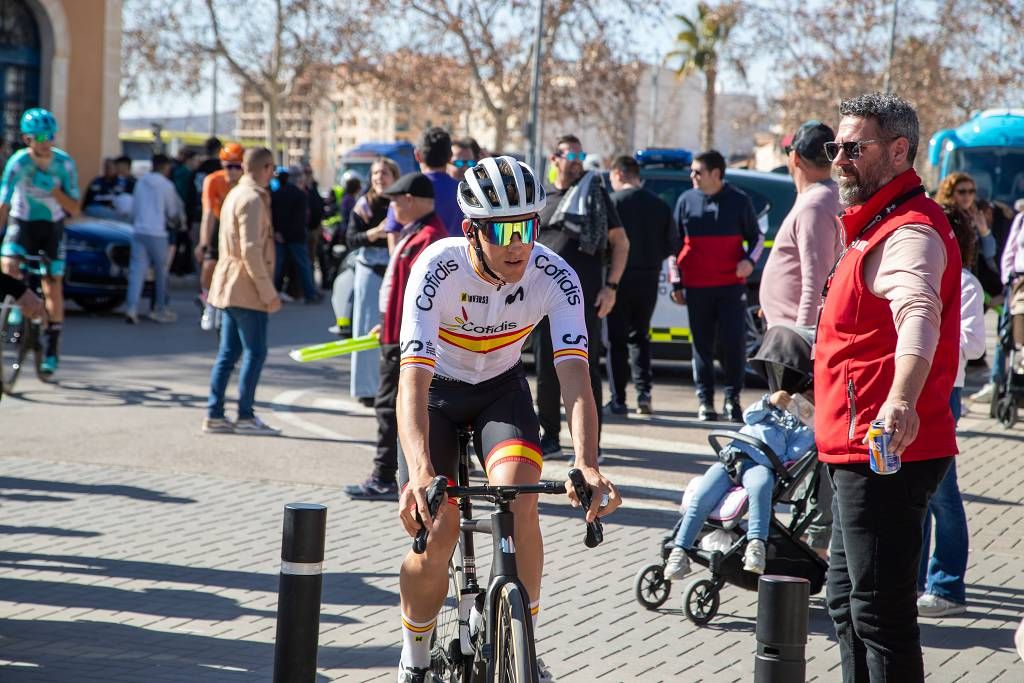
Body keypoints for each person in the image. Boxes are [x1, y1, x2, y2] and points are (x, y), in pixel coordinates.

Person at [394, 156, 620, 681]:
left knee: (520, 503)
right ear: (472, 231)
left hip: (500, 391)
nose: (520, 243)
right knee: (439, 530)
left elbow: (575, 379)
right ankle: (415, 654)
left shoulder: (555, 276)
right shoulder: (437, 268)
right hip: (437, 397)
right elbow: (412, 382)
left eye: (528, 226)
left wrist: (587, 463)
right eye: (504, 230)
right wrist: (422, 471)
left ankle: (524, 646)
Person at [815, 92, 959, 682]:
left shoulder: (910, 231)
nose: (840, 158)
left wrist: (900, 399)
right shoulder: (875, 224)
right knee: (847, 603)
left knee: (879, 613)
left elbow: (918, 314)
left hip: (885, 450)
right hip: (856, 447)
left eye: (855, 147)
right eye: (836, 147)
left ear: (899, 151)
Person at [343, 172, 447, 499]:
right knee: (392, 406)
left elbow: (425, 298)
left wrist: (396, 328)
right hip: (398, 334)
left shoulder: (428, 237)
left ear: (410, 201)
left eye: (393, 200)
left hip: (407, 341)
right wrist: (386, 323)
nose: (389, 206)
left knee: (390, 407)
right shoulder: (418, 233)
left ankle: (384, 476)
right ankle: (393, 474)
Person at [535, 134, 629, 456]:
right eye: (569, 155)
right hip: (541, 298)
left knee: (585, 370)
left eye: (580, 154)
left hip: (583, 299)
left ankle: (590, 444)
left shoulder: (597, 197)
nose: (576, 160)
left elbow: (621, 243)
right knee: (546, 371)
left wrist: (611, 287)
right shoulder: (541, 197)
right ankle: (549, 436)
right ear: (554, 159)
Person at [664, 388, 816, 579]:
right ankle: (679, 551)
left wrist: (810, 426)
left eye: (811, 401)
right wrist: (770, 402)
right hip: (732, 458)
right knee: (701, 498)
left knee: (761, 489)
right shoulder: (771, 410)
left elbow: (793, 454)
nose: (804, 401)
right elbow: (748, 416)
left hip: (761, 465)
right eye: (803, 396)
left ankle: (756, 545)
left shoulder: (803, 430)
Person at [916, 206, 985, 618]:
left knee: (941, 492)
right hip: (915, 388)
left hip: (945, 391)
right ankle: (916, 581)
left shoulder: (965, 284)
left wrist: (931, 334)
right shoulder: (922, 275)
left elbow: (975, 346)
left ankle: (947, 586)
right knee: (917, 493)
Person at [672, 149, 763, 422]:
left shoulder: (739, 200)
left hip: (730, 287)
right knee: (702, 345)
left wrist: (749, 261)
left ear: (716, 174)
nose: (692, 176)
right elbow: (673, 246)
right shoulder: (685, 201)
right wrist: (677, 281)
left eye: (697, 171)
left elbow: (756, 238)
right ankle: (705, 401)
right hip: (697, 288)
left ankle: (732, 400)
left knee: (733, 344)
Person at [203, 147, 282, 436]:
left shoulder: (237, 193)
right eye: (272, 168)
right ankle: (244, 415)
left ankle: (215, 413)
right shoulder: (251, 198)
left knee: (229, 352)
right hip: (245, 286)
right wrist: (267, 291)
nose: (273, 174)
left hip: (231, 282)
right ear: (264, 168)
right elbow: (250, 250)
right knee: (255, 352)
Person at [0, 108, 80, 376]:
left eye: (51, 136)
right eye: (41, 136)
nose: (47, 142)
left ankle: (52, 349)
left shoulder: (64, 164)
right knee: (8, 262)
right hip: (22, 222)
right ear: (27, 139)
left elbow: (75, 209)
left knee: (52, 285)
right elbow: (3, 202)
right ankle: (13, 303)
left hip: (51, 227)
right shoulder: (18, 163)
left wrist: (54, 190)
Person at [605, 154, 677, 415]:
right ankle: (644, 394)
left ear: (620, 174)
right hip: (649, 277)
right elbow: (671, 244)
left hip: (617, 278)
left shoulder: (611, 203)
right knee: (641, 337)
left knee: (616, 340)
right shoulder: (659, 204)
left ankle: (618, 399)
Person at [760, 120, 842, 330]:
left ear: (795, 157)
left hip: (794, 336)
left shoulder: (815, 206)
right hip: (786, 326)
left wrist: (803, 339)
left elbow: (815, 283)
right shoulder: (823, 197)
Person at [345, 157, 399, 404]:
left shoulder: (402, 203)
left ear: (394, 177)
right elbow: (350, 239)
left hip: (396, 268)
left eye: (385, 173)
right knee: (365, 327)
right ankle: (366, 389)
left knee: (397, 329)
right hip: (368, 267)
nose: (379, 177)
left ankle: (394, 387)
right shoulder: (363, 205)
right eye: (376, 173)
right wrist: (373, 233)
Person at [125, 153, 183, 324]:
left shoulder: (141, 182)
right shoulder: (166, 186)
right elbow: (172, 211)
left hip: (139, 230)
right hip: (158, 233)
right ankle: (160, 309)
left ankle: (131, 308)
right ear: (165, 167)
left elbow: (134, 208)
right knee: (161, 273)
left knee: (137, 271)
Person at [196, 142, 245, 330]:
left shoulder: (247, 182)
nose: (232, 171)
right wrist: (203, 243)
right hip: (219, 223)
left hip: (239, 227)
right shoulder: (213, 180)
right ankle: (209, 303)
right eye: (227, 166)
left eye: (236, 166)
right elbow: (207, 214)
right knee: (209, 265)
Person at [383, 127, 461, 244]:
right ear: (450, 157)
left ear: (417, 155)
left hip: (416, 261)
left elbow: (394, 238)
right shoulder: (465, 191)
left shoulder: (405, 190)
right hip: (458, 261)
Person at [271, 166, 318, 303]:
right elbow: (300, 219)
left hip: (281, 236)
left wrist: (278, 232)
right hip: (296, 236)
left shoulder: (276, 194)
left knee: (278, 267)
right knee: (304, 265)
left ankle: (274, 293)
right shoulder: (300, 195)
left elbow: (273, 216)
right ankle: (310, 294)